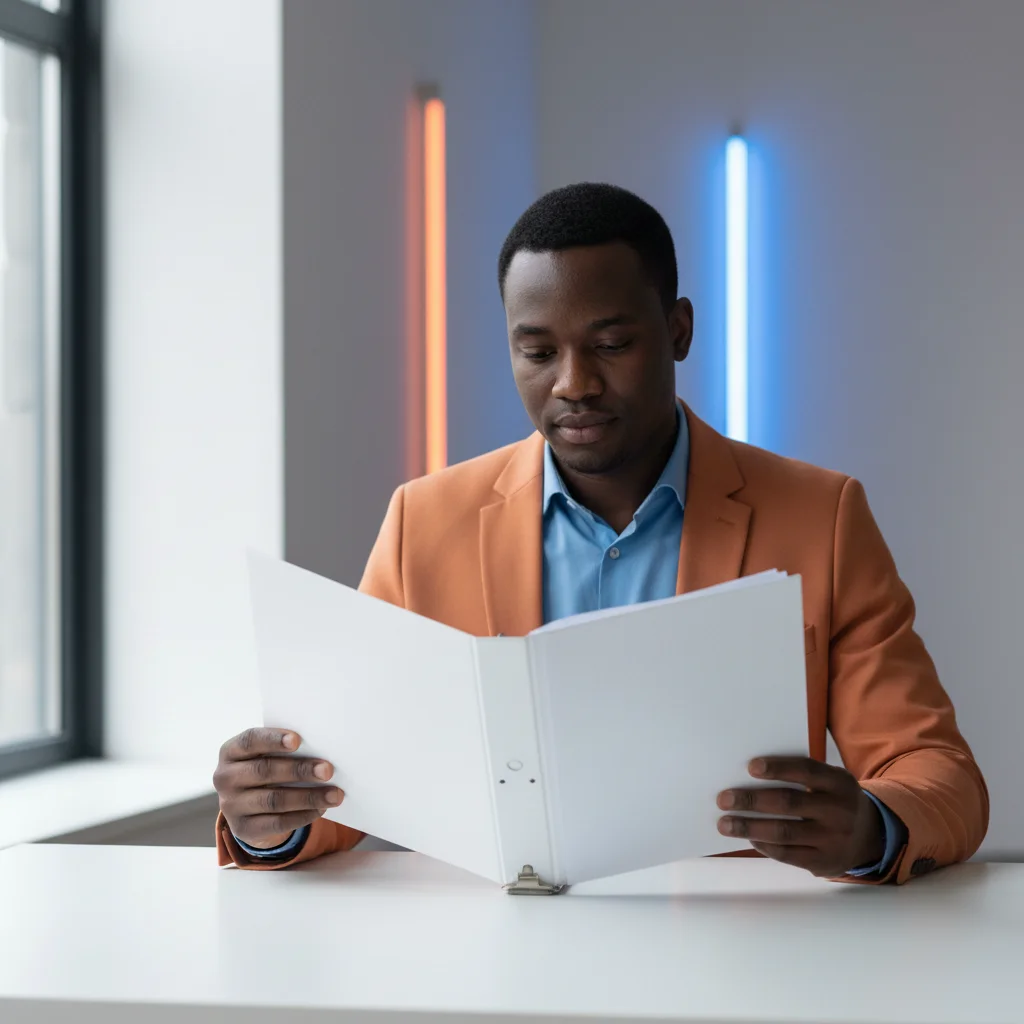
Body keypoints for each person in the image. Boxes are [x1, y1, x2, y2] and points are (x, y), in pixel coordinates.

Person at [213, 183, 988, 883]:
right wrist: (272, 820)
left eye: (612, 345)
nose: (574, 384)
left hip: (740, 954)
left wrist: (868, 827)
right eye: (538, 351)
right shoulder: (425, 521)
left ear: (679, 329)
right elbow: (357, 783)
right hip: (493, 957)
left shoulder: (820, 517)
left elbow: (936, 771)